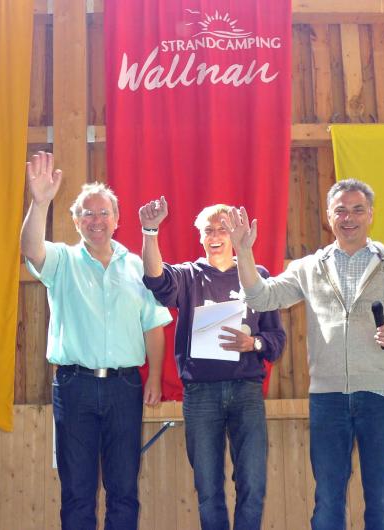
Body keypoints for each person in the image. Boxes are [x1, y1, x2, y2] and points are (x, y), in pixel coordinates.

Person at [224, 179, 384, 530]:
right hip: (327, 398)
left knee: (383, 499)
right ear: (328, 216)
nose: (348, 217)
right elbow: (261, 298)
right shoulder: (309, 267)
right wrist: (243, 251)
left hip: (382, 396)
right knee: (327, 499)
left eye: (357, 210)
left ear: (370, 215)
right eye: (341, 210)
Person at [20, 151, 172, 530]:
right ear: (76, 221)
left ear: (117, 220)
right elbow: (31, 249)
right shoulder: (61, 261)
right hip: (75, 387)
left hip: (125, 387)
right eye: (87, 213)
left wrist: (154, 377)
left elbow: (153, 326)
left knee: (124, 490)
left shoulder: (138, 267)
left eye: (104, 213)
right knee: (77, 492)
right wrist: (39, 203)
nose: (96, 220)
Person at [139, 198, 285, 530]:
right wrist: (150, 232)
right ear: (200, 237)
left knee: (253, 483)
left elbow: (276, 339)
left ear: (235, 236)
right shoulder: (188, 275)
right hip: (201, 393)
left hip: (247, 391)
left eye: (223, 229)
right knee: (207, 488)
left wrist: (254, 343)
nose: (215, 235)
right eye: (209, 230)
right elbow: (156, 279)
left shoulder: (257, 276)